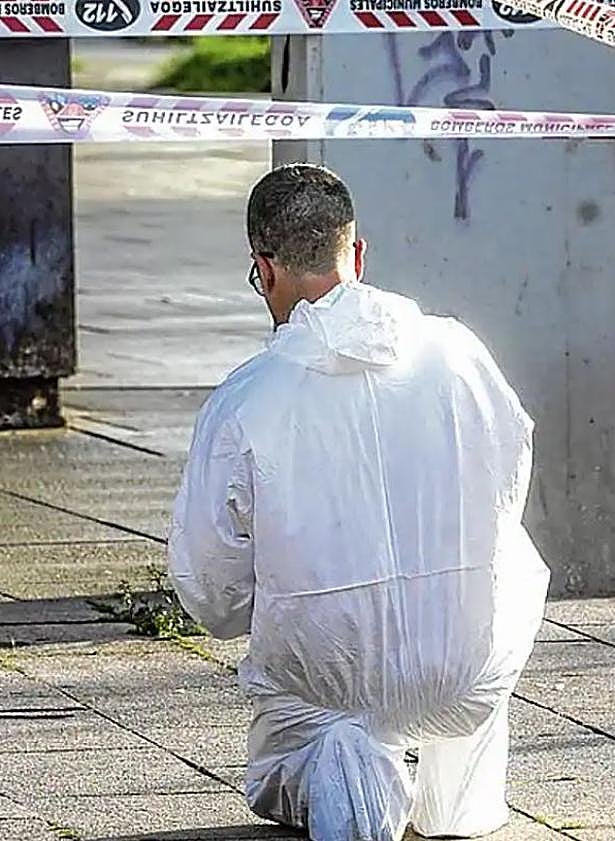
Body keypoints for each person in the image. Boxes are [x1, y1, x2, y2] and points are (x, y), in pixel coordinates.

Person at [168, 163, 549, 840]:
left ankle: (348, 779)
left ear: (264, 266)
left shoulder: (248, 397)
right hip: (468, 669)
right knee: (472, 608)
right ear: (359, 253)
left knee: (308, 736)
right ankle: (446, 803)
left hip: (326, 684)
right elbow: (507, 482)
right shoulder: (459, 353)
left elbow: (212, 591)